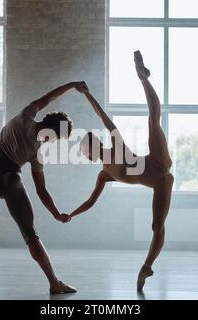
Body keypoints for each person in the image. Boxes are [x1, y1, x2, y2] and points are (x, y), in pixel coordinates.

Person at [0, 81, 88, 293]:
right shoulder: (37, 151)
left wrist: (72, 86)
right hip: (11, 180)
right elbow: (41, 191)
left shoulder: (26, 117)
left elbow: (49, 97)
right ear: (52, 130)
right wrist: (55, 214)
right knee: (30, 234)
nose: (53, 142)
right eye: (57, 138)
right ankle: (53, 282)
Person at [67, 51, 174, 291]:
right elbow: (90, 201)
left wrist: (87, 94)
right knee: (156, 228)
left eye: (85, 151)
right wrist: (71, 214)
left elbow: (103, 117)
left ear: (93, 147)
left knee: (152, 121)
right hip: (160, 182)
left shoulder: (116, 146)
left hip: (158, 162)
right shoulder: (104, 174)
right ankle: (147, 266)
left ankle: (143, 78)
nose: (85, 155)